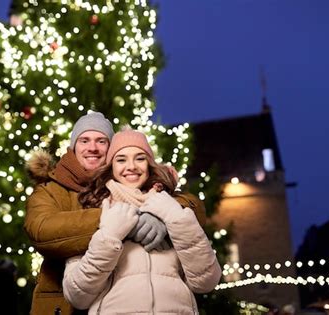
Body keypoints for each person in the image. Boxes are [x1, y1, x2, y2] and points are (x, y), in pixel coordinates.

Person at [24, 112, 206, 314]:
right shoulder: (52, 189)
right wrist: (121, 221)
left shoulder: (135, 184)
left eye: (101, 141)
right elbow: (43, 230)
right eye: (84, 140)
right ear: (73, 147)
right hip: (64, 304)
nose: (92, 147)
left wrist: (165, 216)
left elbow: (191, 204)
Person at [62, 127, 221, 314]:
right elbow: (77, 295)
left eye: (140, 158)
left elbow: (207, 281)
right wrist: (109, 236)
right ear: (111, 168)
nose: (131, 166)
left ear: (150, 164)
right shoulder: (94, 210)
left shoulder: (169, 204)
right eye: (121, 160)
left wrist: (175, 219)